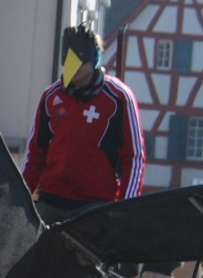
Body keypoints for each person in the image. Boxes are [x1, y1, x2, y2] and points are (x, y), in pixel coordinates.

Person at [22, 24, 146, 224]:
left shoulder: (119, 97)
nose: (74, 65)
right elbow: (35, 154)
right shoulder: (51, 97)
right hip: (51, 201)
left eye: (79, 58)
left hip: (96, 205)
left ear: (94, 57)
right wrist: (18, 198)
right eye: (69, 58)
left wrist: (125, 209)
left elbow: (133, 158)